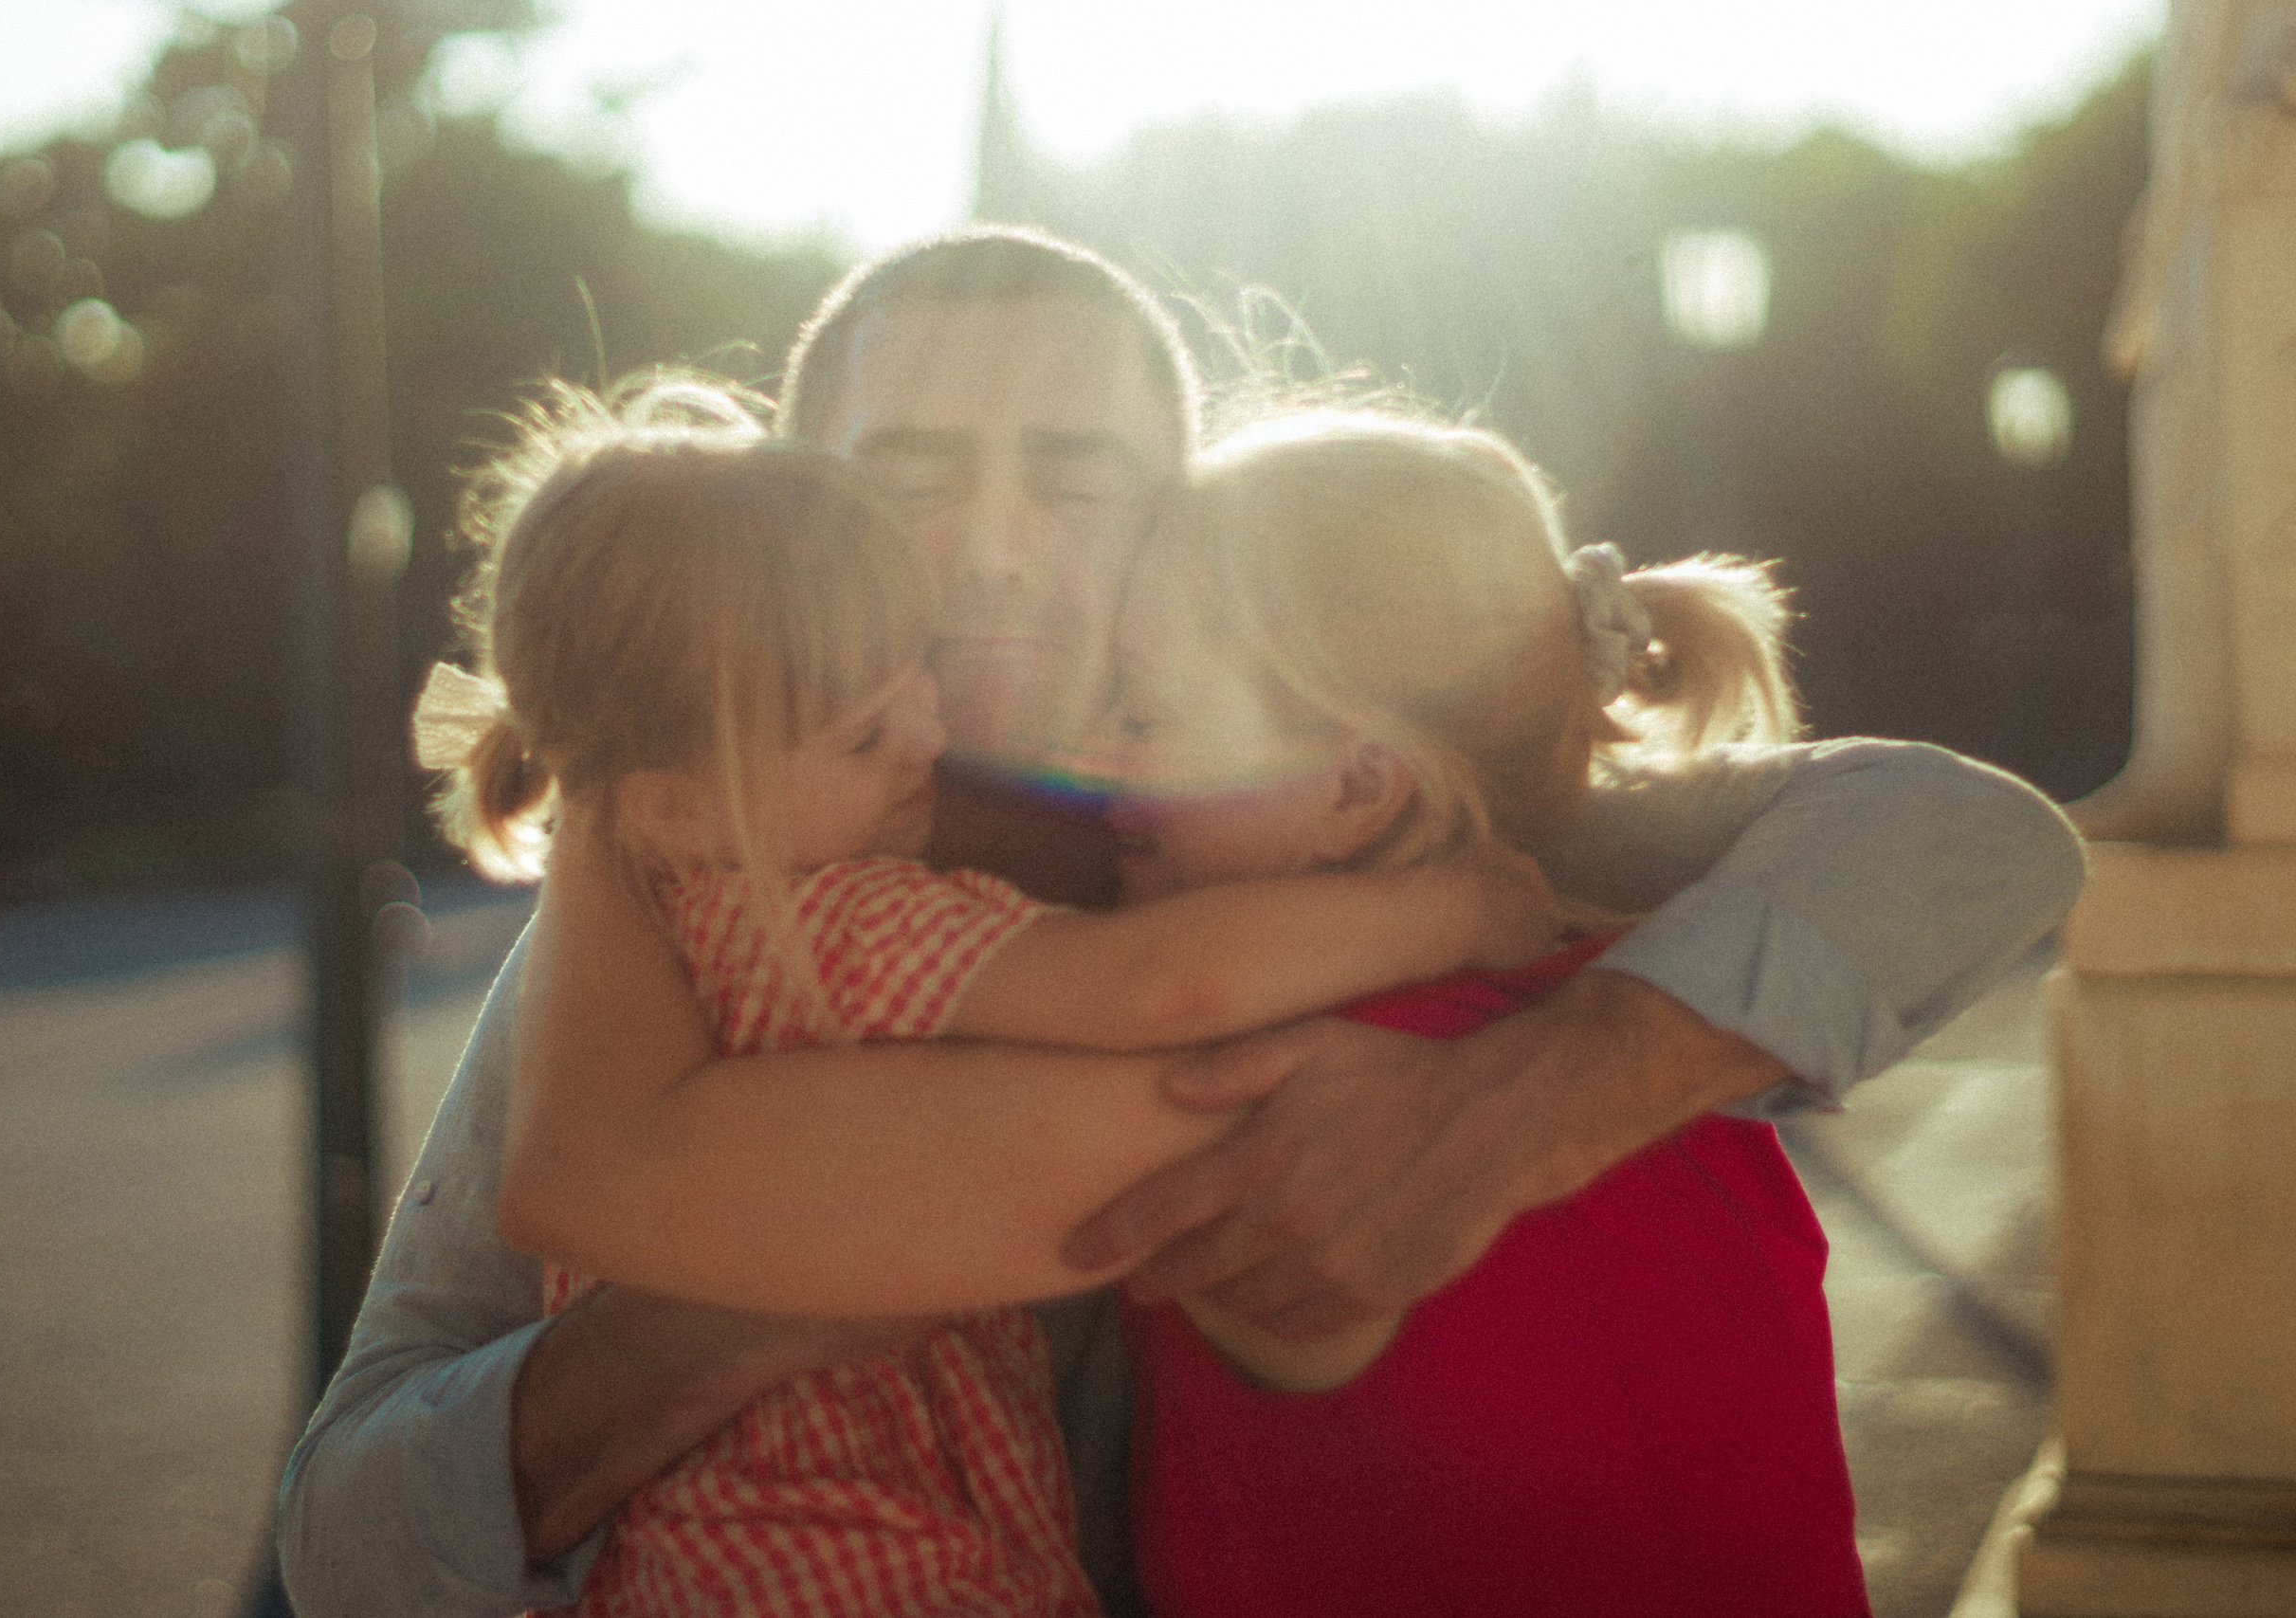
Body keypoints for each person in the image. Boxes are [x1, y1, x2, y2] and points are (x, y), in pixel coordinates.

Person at [275, 227, 2084, 1618]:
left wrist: (1522, 1104)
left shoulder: (1345, 829)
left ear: (1181, 517)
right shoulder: (706, 915)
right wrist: (786, 1278)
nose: (986, 549)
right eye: (905, 479)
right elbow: (352, 1526)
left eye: (1074, 479)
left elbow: (1957, 831)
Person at [408, 378, 1589, 1615]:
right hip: (858, 1558)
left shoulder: (662, 926)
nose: (926, 728)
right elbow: (1155, 985)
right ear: (678, 801)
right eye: (867, 734)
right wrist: (1461, 902)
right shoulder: (837, 918)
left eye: (911, 674)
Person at [1104, 409, 1867, 1615]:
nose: (1090, 757)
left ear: (1356, 786)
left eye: (1138, 714)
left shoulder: (1297, 1091)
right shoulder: (1644, 998)